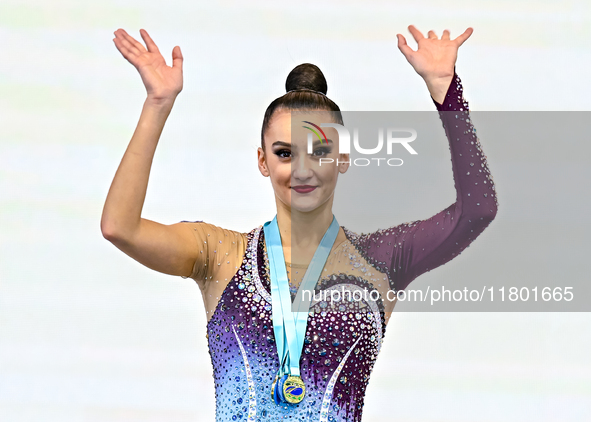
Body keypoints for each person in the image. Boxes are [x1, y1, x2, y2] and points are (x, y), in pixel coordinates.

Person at [102, 25, 498, 421]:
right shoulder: (219, 254)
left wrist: (448, 93)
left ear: (343, 158)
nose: (303, 170)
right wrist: (157, 104)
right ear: (263, 161)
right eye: (285, 153)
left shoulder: (381, 260)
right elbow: (120, 227)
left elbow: (477, 210)